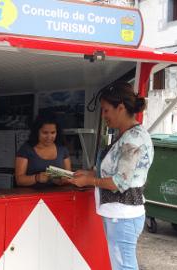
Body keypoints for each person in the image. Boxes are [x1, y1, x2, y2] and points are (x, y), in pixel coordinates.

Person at [69, 81, 154, 270]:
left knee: (124, 267)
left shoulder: (133, 139)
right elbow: (116, 171)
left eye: (106, 110)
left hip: (123, 214)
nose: (104, 115)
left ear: (121, 108)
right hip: (120, 214)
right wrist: (90, 173)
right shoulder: (126, 135)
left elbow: (119, 182)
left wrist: (89, 180)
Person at [14, 114, 72, 187]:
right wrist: (36, 178)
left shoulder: (62, 149)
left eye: (53, 132)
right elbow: (19, 180)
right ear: (37, 132)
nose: (49, 137)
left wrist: (62, 180)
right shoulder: (26, 149)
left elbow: (69, 177)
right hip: (32, 195)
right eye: (45, 133)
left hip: (57, 195)